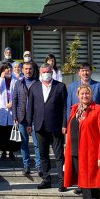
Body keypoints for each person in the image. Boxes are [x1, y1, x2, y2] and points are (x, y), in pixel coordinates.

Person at [64, 84, 100, 199]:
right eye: (82, 94)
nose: (85, 96)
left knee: (92, 186)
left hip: (91, 154)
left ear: (91, 94)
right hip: (76, 152)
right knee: (83, 185)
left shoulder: (98, 109)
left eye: (87, 94)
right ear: (78, 95)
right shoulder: (75, 109)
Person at [27, 63, 69, 191]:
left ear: (52, 71)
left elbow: (64, 108)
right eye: (44, 72)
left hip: (56, 127)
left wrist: (64, 124)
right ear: (40, 73)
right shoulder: (34, 87)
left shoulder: (60, 87)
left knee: (59, 155)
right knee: (43, 154)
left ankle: (62, 181)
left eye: (48, 71)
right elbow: (30, 107)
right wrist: (29, 123)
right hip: (40, 126)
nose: (46, 74)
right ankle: (46, 179)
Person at [13, 61, 41, 178]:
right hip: (22, 117)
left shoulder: (38, 83)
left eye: (30, 69)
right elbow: (15, 100)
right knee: (24, 143)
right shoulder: (18, 83)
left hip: (35, 118)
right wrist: (15, 116)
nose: (28, 71)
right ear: (22, 70)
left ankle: (39, 166)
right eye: (25, 69)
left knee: (37, 143)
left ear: (33, 70)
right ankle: (26, 165)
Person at [0, 63, 17, 160]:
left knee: (11, 131)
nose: (8, 70)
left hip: (12, 108)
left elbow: (17, 93)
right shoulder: (0, 80)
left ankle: (11, 151)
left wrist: (12, 103)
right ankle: (3, 151)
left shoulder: (16, 80)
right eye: (6, 69)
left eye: (9, 68)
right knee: (2, 132)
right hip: (2, 108)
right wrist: (1, 78)